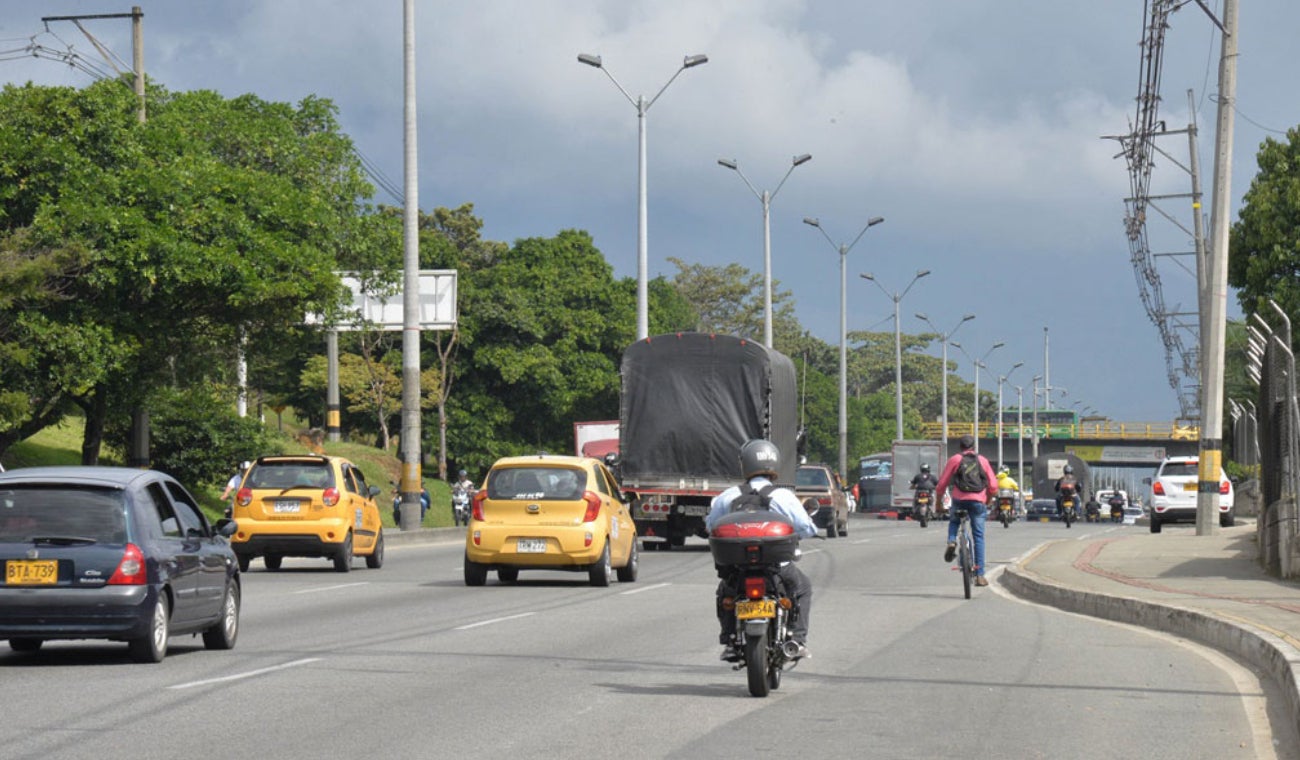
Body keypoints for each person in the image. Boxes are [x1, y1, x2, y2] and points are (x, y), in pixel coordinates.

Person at [706, 439, 817, 662]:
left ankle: (729, 640)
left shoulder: (728, 496)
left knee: (725, 594)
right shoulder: (783, 496)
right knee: (803, 588)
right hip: (778, 570)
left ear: (744, 465)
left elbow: (711, 527)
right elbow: (806, 528)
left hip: (737, 569)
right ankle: (797, 639)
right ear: (774, 464)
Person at [934, 435, 998, 586]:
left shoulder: (955, 459)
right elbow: (994, 487)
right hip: (978, 502)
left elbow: (942, 484)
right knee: (978, 537)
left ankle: (951, 541)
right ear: (974, 447)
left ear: (960, 446)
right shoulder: (982, 461)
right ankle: (980, 575)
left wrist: (938, 503)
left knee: (954, 521)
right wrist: (987, 500)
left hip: (959, 499)